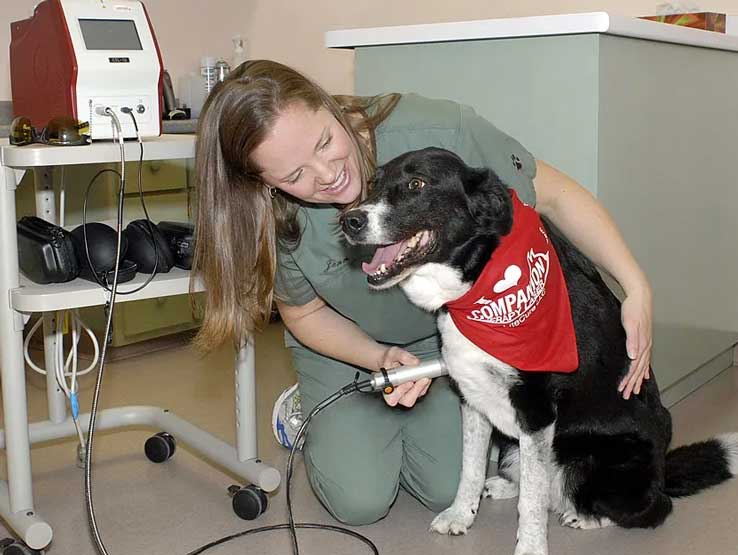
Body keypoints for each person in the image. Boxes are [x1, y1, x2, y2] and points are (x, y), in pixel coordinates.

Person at [191, 60, 653, 526]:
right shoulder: (270, 216)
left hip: (453, 336)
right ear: (266, 185)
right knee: (360, 500)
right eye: (295, 176)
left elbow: (554, 196)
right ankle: (314, 404)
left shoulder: (438, 130)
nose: (326, 174)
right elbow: (304, 314)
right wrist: (377, 357)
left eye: (325, 142)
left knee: (444, 488)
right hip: (349, 347)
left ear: (328, 106)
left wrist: (634, 285)